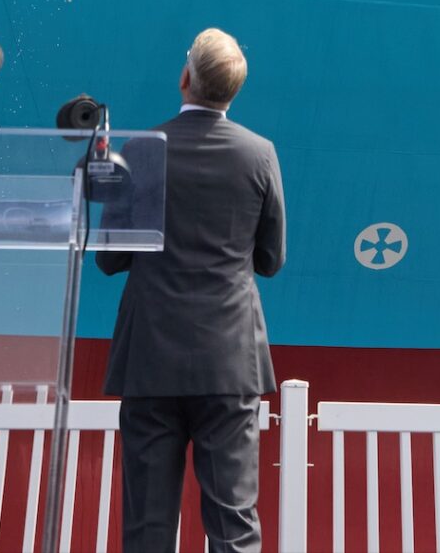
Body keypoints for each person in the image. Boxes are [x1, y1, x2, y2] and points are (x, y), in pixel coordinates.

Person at [98, 28, 286, 553]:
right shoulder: (260, 155)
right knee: (234, 524)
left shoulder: (140, 151)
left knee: (147, 528)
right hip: (229, 362)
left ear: (185, 78)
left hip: (152, 360)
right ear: (233, 91)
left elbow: (110, 258)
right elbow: (270, 260)